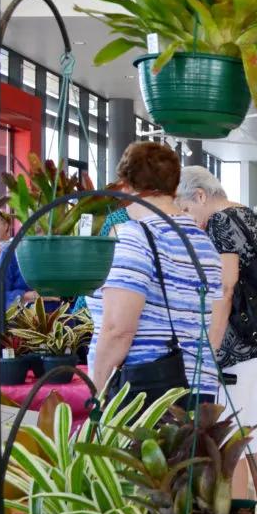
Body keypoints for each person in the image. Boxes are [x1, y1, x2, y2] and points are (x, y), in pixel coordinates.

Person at [175, 166, 257, 510]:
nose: (189, 220)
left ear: (200, 196)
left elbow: (225, 286)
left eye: (187, 210)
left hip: (239, 346)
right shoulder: (247, 214)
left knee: (234, 439)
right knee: (253, 434)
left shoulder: (221, 221)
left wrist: (212, 346)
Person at [87, 142, 223, 405]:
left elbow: (118, 329)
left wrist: (98, 390)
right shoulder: (203, 243)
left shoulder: (136, 237)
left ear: (126, 187)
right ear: (174, 186)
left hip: (145, 392)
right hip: (198, 385)